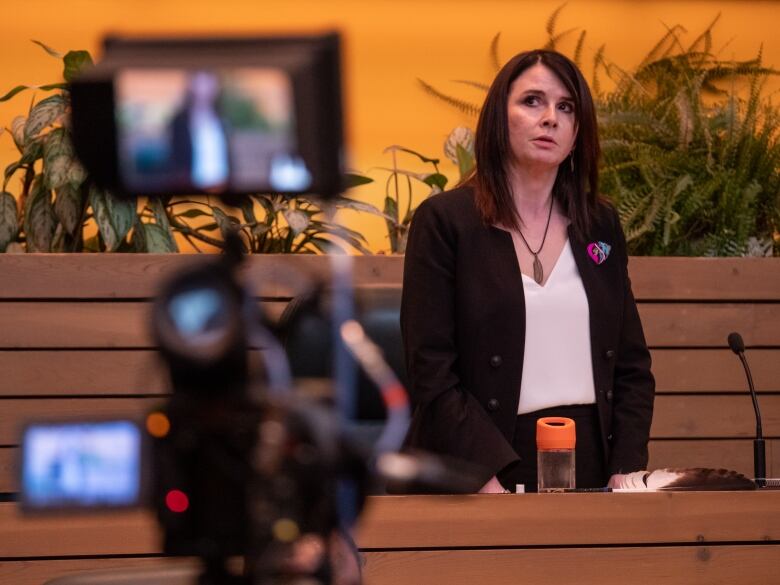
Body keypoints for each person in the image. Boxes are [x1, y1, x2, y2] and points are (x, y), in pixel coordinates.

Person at [400, 49, 655, 493]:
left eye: (566, 107)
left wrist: (626, 468)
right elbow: (431, 370)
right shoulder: (445, 221)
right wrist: (484, 477)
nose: (550, 118)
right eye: (532, 101)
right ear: (500, 119)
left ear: (578, 133)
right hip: (482, 463)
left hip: (595, 462)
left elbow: (631, 366)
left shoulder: (600, 224)